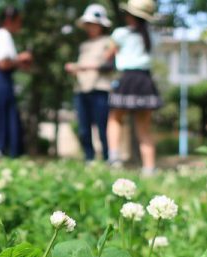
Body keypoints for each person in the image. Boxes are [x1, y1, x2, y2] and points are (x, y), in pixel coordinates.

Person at [106, 0, 161, 174]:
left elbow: (109, 54)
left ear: (130, 15)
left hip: (127, 79)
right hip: (145, 80)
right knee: (144, 128)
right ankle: (149, 169)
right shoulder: (153, 36)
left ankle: (114, 158)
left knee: (115, 118)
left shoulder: (120, 33)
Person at [65, 4, 114, 163]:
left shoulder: (108, 42)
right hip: (82, 89)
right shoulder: (84, 46)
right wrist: (75, 69)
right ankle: (89, 158)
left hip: (100, 89)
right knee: (84, 128)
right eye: (89, 24)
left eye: (93, 24)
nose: (90, 27)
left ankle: (108, 158)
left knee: (103, 127)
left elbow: (110, 65)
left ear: (101, 25)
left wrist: (85, 67)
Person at [0, 6, 33, 158]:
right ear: (9, 21)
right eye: (18, 22)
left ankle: (12, 152)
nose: (20, 25)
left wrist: (19, 63)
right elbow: (2, 63)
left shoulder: (4, 36)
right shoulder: (2, 35)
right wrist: (21, 58)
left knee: (10, 115)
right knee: (4, 116)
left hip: (3, 79)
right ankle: (1, 150)